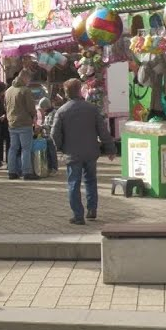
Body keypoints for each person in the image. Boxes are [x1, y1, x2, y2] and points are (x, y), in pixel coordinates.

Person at [51, 78, 113, 225]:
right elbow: (103, 131)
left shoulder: (62, 111)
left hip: (72, 153)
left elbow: (54, 134)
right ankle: (92, 210)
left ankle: (78, 215)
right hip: (91, 151)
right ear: (80, 90)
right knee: (91, 180)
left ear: (66, 93)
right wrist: (110, 148)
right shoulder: (92, 109)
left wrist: (60, 147)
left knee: (74, 183)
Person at [5, 71, 38, 180]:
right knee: (26, 148)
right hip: (24, 122)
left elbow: (6, 106)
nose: (29, 82)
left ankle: (12, 171)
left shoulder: (8, 90)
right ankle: (27, 172)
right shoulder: (25, 91)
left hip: (12, 123)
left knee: (13, 148)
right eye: (28, 79)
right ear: (25, 78)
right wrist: (34, 116)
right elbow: (31, 107)